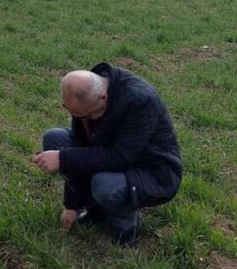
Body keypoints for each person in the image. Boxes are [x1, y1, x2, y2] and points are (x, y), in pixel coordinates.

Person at [34, 63, 182, 245]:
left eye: (86, 116)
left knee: (104, 185)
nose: (82, 120)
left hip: (151, 170)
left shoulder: (140, 100)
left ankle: (126, 226)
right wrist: (73, 205)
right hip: (112, 152)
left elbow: (121, 157)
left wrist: (62, 158)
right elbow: (80, 145)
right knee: (54, 139)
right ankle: (93, 208)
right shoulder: (86, 94)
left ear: (103, 97)